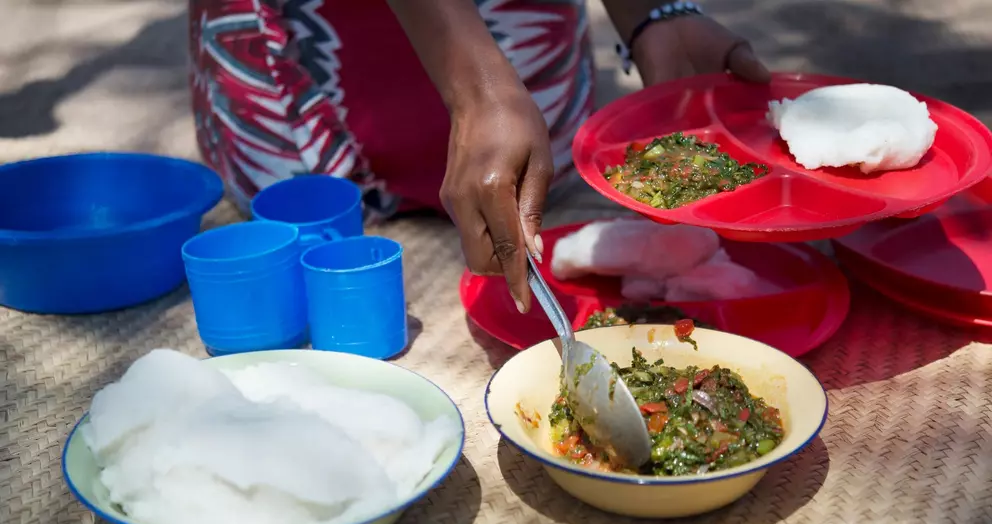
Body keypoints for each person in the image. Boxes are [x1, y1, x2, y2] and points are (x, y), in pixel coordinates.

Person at [188, 0, 768, 313]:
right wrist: (476, 86)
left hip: (516, 37)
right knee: (289, 213)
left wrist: (649, 10)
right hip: (310, 58)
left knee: (531, 189)